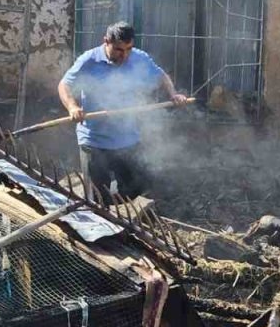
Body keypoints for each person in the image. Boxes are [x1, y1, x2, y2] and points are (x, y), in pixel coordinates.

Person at [58, 22, 189, 200]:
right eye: (119, 50)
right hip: (94, 142)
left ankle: (129, 224)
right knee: (97, 197)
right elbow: (64, 85)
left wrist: (174, 94)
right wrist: (72, 107)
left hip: (128, 140)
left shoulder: (139, 58)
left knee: (134, 192)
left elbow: (161, 75)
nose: (125, 55)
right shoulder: (89, 60)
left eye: (129, 49)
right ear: (106, 41)